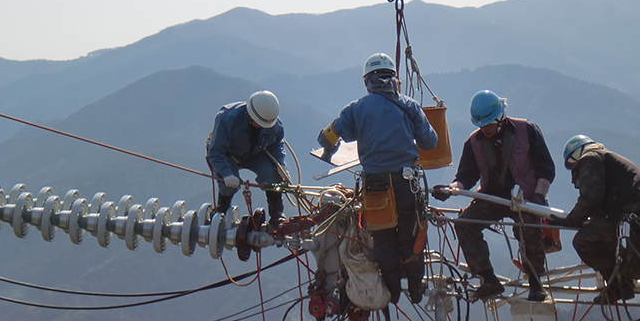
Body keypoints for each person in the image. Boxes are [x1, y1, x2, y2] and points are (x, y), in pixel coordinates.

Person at [317, 53, 438, 304]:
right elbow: (430, 141)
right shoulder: (409, 106)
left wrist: (330, 149)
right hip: (407, 184)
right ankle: (415, 288)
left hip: (375, 188)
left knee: (383, 239)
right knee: (412, 233)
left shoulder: (356, 108)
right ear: (395, 79)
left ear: (367, 81)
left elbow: (327, 138)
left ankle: (392, 291)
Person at [432, 90, 555, 301]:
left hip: (525, 197)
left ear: (500, 118)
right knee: (465, 224)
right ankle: (487, 278)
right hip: (491, 197)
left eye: (488, 124)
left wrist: (538, 196)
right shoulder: (474, 143)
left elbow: (546, 168)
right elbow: (466, 177)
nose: (485, 129)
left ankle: (536, 283)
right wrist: (450, 189)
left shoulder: (527, 130)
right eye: (481, 125)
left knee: (529, 229)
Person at [556, 135, 640, 305]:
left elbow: (591, 197)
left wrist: (570, 220)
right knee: (610, 237)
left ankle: (617, 284)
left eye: (572, 165)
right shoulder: (606, 159)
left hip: (631, 205)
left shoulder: (589, 158)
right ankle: (623, 281)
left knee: (584, 241)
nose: (574, 170)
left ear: (576, 156)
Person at [206, 90, 288, 228]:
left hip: (254, 153)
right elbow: (215, 152)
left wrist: (281, 166)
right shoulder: (227, 118)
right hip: (227, 154)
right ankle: (222, 208)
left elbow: (276, 145)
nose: (262, 126)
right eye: (259, 123)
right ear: (250, 115)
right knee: (228, 185)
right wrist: (227, 173)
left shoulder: (273, 123)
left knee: (272, 175)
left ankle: (277, 215)